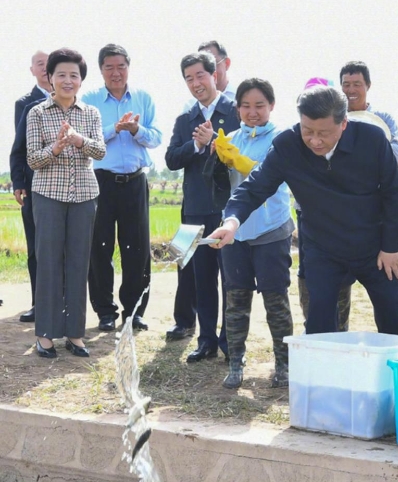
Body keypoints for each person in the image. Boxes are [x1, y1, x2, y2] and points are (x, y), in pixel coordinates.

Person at [207, 86, 398, 338]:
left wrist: (391, 247)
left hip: (374, 246)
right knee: (319, 322)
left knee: (393, 317)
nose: (315, 140)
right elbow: (255, 187)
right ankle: (324, 375)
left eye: (324, 133)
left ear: (344, 123)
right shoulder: (287, 146)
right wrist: (231, 222)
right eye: (308, 131)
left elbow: (393, 192)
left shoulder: (372, 140)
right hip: (323, 248)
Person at [25, 48, 106, 358]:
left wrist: (78, 140)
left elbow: (100, 152)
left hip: (85, 196)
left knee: (78, 263)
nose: (68, 80)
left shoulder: (91, 114)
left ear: (81, 80)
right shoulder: (37, 113)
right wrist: (56, 148)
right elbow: (32, 159)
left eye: (74, 75)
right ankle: (46, 335)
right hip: (48, 196)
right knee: (48, 263)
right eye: (61, 74)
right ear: (50, 78)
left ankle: (75, 334)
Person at [215, 78, 294, 389]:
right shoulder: (231, 138)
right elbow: (226, 185)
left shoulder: (283, 139)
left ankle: (283, 363)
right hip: (235, 231)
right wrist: (217, 157)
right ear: (237, 109)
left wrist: (242, 162)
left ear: (272, 106)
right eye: (246, 106)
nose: (253, 112)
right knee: (235, 299)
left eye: (260, 105)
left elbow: (267, 177)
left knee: (276, 299)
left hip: (271, 228)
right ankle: (235, 363)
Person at [165, 51, 239, 363]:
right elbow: (171, 160)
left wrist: (215, 142)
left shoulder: (235, 111)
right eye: (189, 78)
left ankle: (231, 342)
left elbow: (243, 154)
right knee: (202, 278)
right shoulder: (186, 120)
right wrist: (195, 145)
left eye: (200, 75)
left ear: (215, 74)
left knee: (231, 279)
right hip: (195, 209)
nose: (196, 83)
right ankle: (206, 339)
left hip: (228, 210)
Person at [82, 44, 162, 332]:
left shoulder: (143, 98)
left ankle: (135, 311)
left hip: (135, 181)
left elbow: (156, 138)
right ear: (101, 69)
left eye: (121, 66)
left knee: (137, 249)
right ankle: (105, 311)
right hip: (101, 181)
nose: (115, 73)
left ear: (129, 66)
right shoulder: (90, 100)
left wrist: (136, 130)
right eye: (109, 67)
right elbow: (86, 141)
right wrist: (114, 129)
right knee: (99, 247)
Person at [326, 61, 398, 333]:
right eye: (346, 85)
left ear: (368, 86)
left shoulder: (384, 119)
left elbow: (395, 154)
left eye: (356, 84)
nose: (351, 90)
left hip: (376, 220)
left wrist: (365, 156)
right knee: (332, 303)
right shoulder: (331, 118)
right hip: (339, 221)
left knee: (389, 304)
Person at [10, 51, 52, 324]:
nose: (46, 68)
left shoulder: (71, 100)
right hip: (35, 185)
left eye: (50, 64)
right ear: (32, 70)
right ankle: (39, 303)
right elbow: (21, 147)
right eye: (41, 64)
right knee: (36, 246)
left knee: (63, 247)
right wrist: (19, 183)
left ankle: (62, 303)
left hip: (65, 187)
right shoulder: (25, 104)